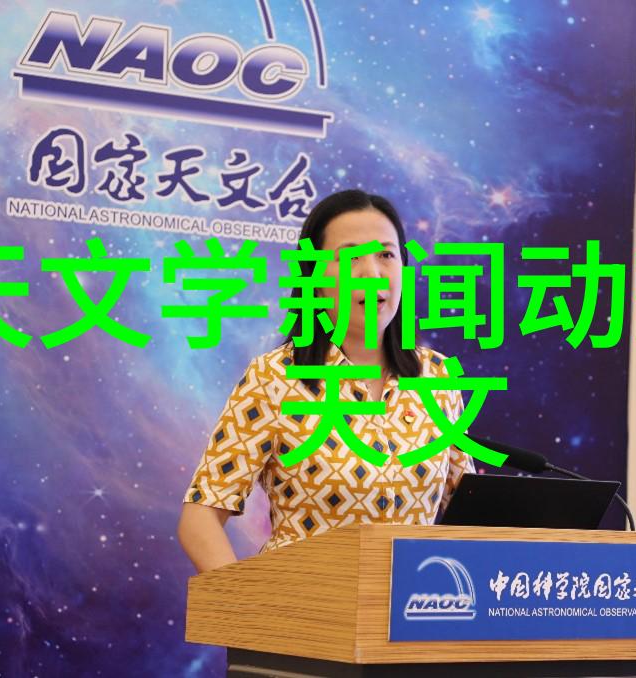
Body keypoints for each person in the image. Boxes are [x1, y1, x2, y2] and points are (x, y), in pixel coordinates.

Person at [176, 189, 474, 572]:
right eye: (351, 257)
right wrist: (245, 602)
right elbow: (199, 517)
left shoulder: (437, 376)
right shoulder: (274, 379)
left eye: (386, 255)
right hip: (301, 604)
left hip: (412, 605)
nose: (372, 273)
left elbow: (470, 513)